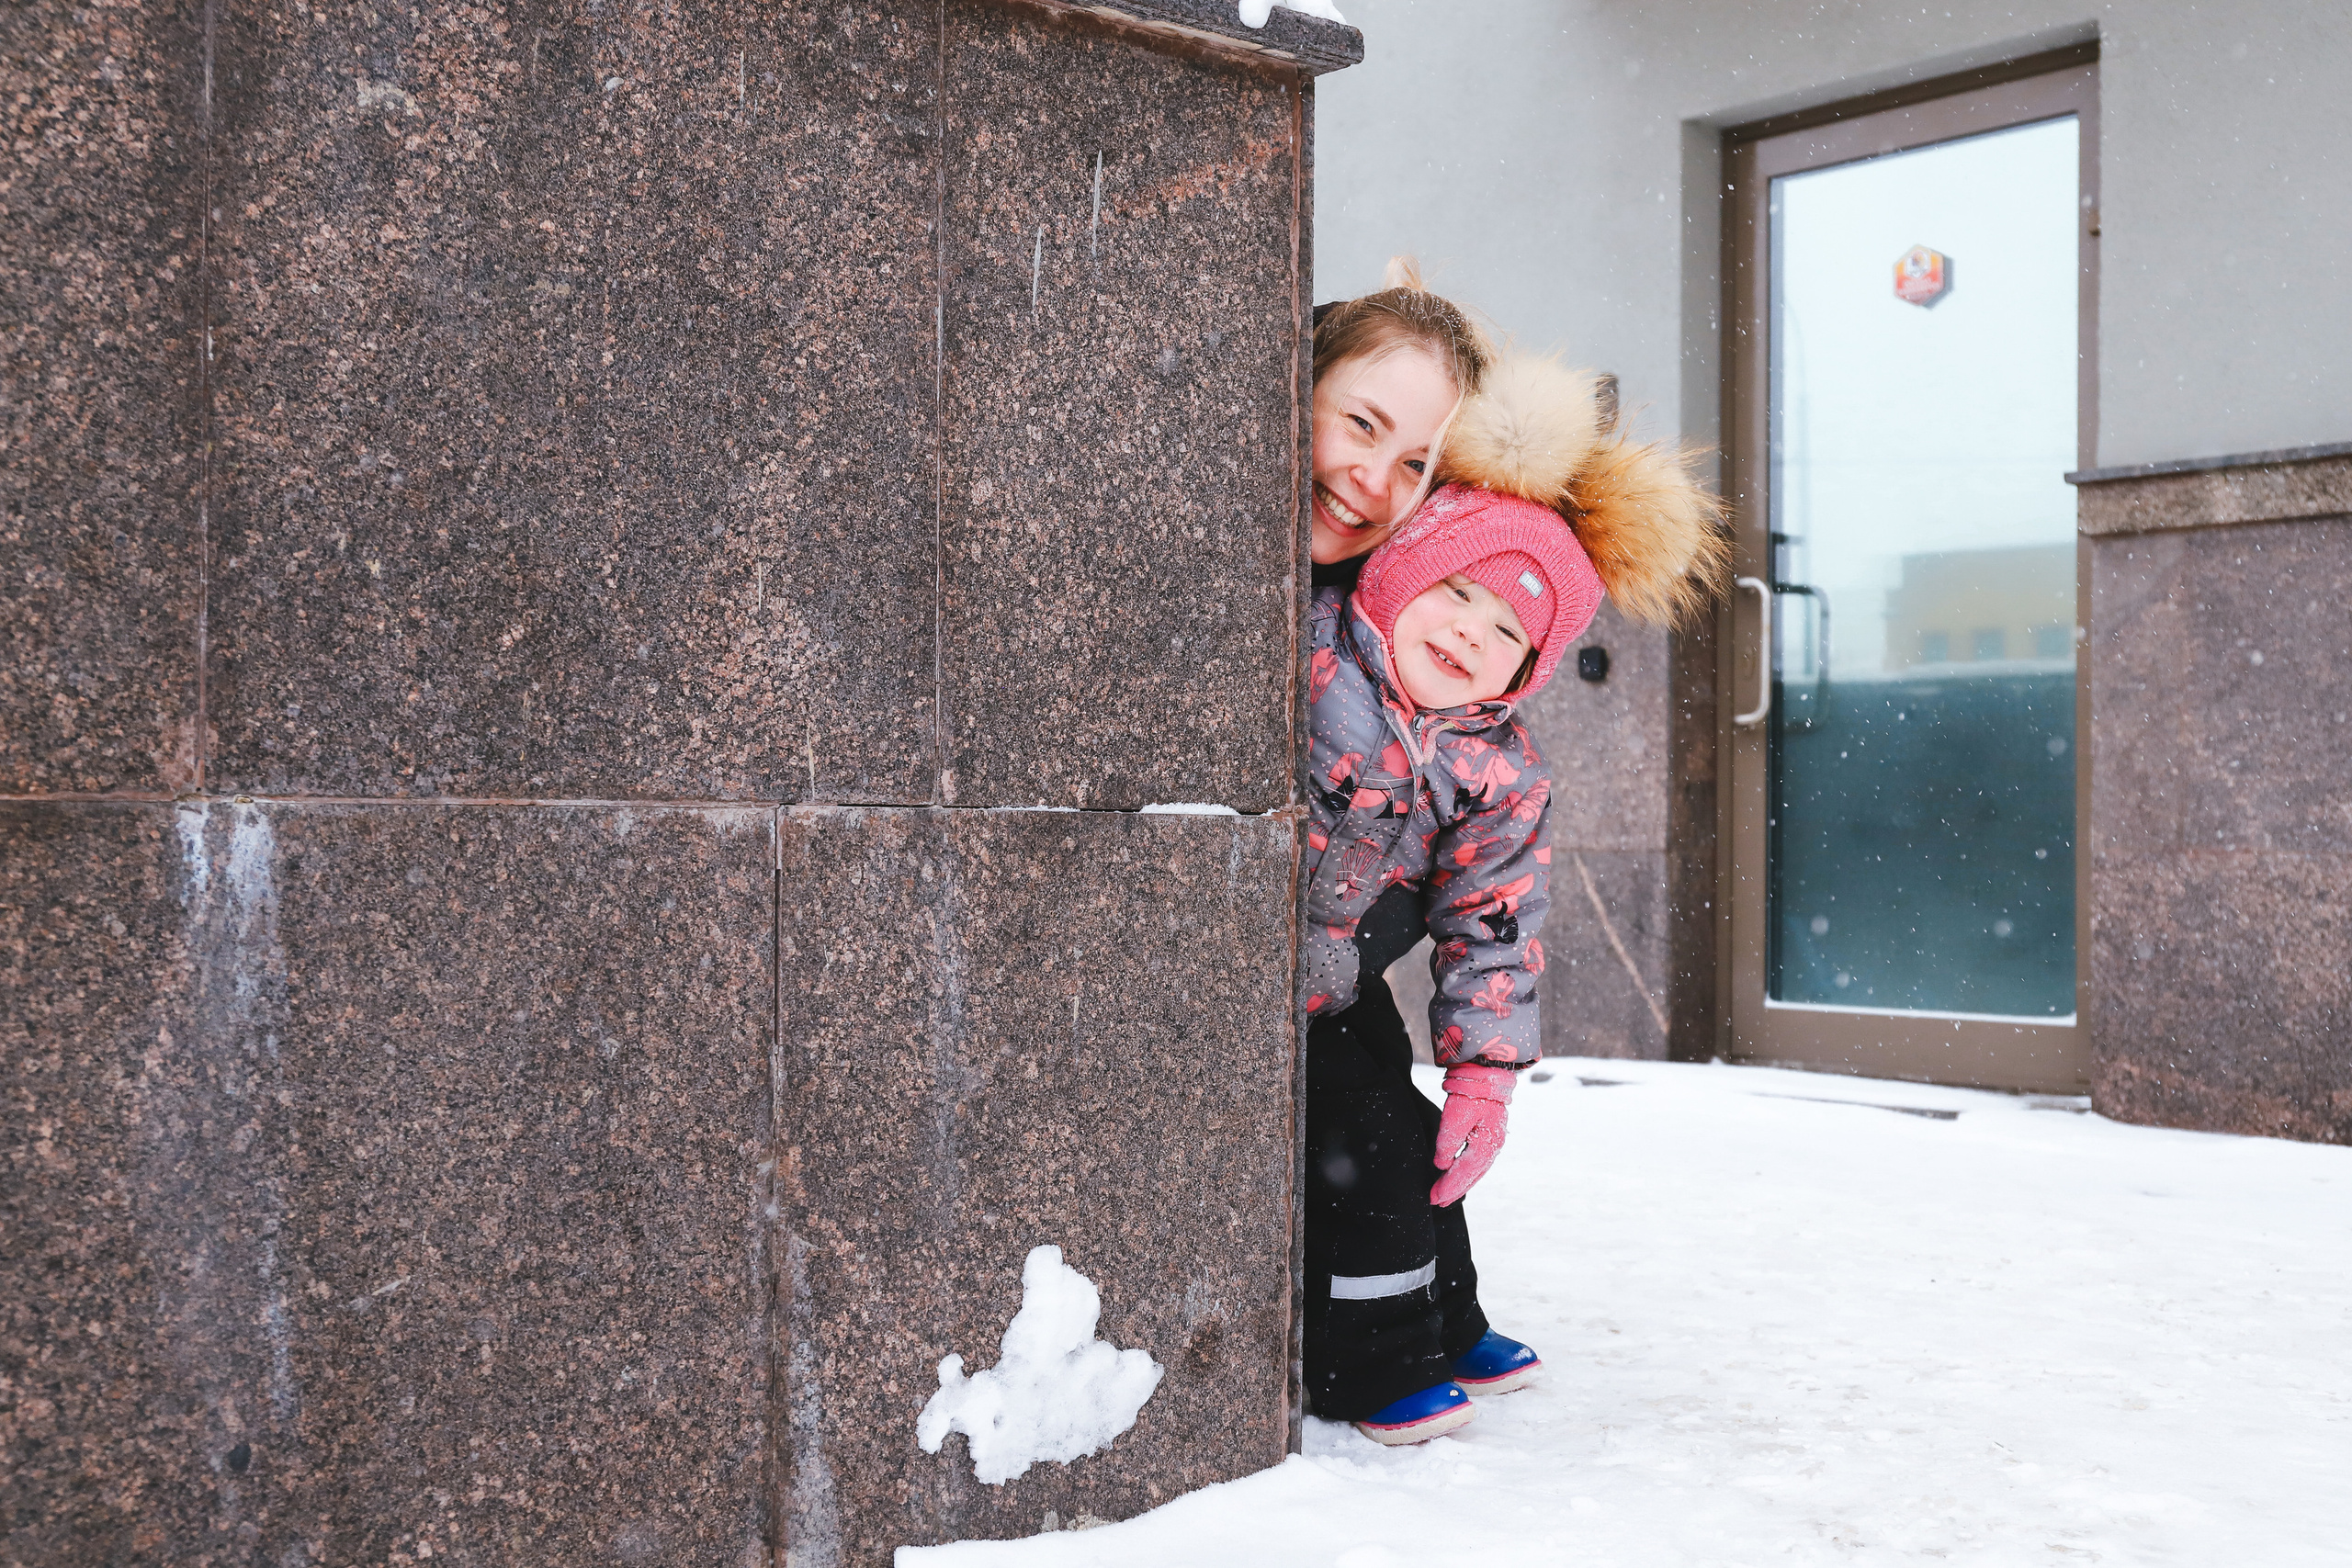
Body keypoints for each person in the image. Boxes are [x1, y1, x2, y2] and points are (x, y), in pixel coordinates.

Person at [1300, 348, 1726, 1444]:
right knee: (1372, 1144)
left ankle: (1443, 1319)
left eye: (1505, 634)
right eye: (1454, 594)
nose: (1466, 635)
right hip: (1260, 962)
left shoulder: (1500, 770)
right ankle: (1369, 1360)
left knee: (1416, 1130)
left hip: (1333, 980)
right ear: (1400, 577)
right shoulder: (1310, 654)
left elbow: (1493, 927)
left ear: (1527, 669)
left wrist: (1486, 1075)